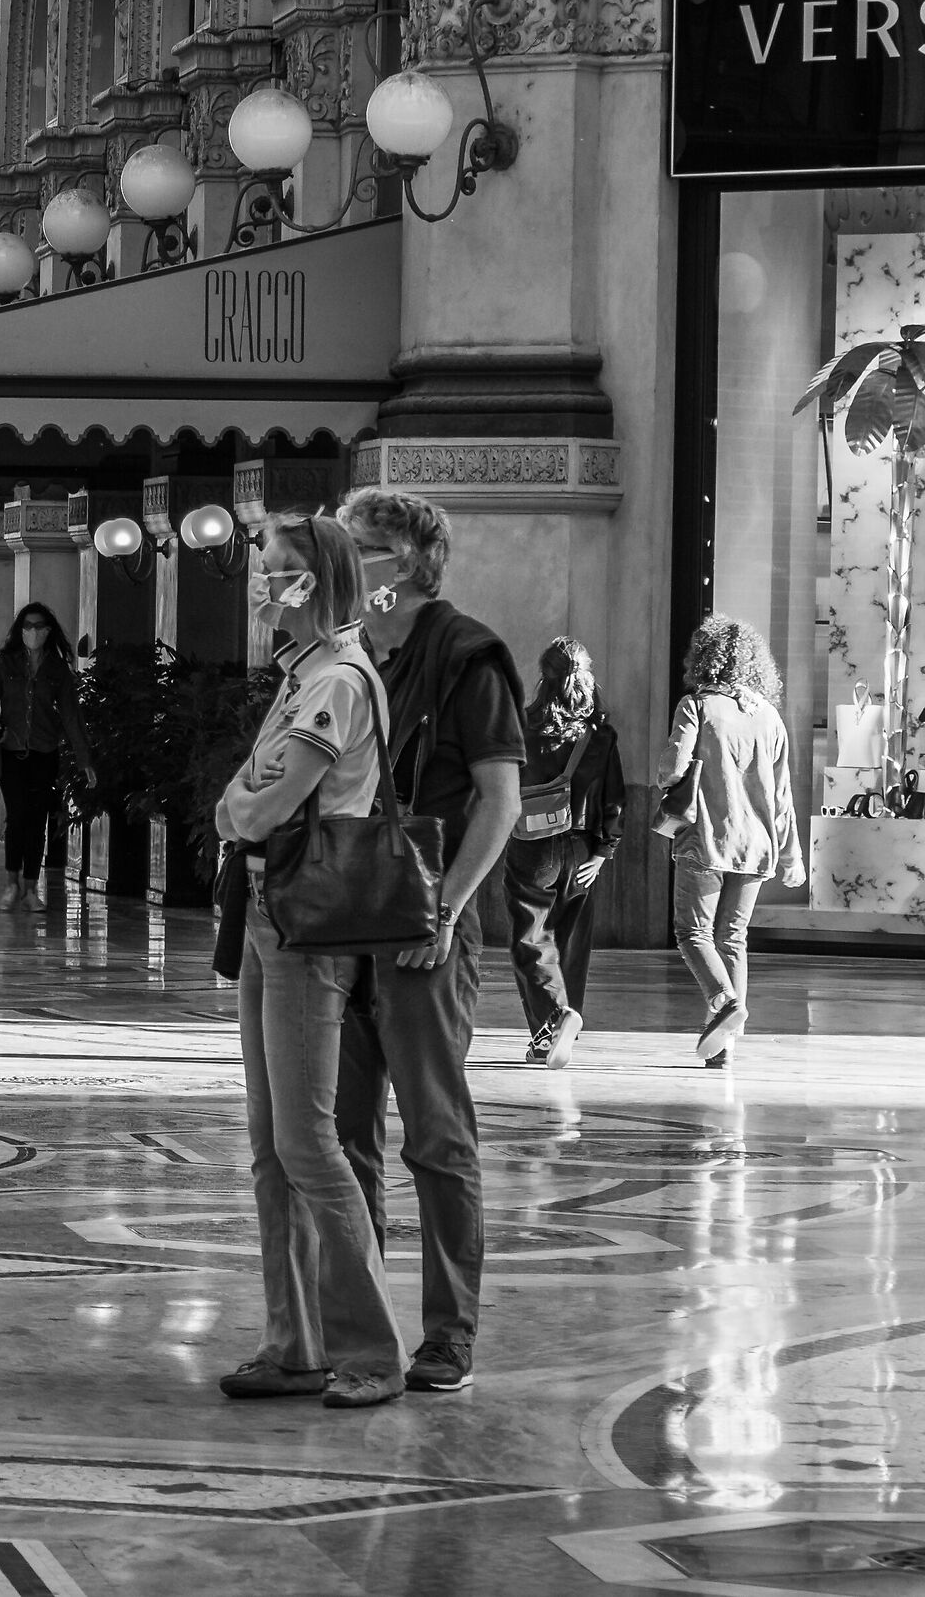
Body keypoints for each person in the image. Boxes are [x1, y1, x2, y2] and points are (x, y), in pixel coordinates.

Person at [209, 514, 406, 1410]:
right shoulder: (302, 676)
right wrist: (239, 802)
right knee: (269, 1147)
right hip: (264, 912)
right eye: (266, 572)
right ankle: (293, 1342)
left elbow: (262, 805)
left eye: (285, 574)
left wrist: (239, 804)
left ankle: (369, 1350)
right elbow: (244, 797)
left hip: (303, 923)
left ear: (323, 584)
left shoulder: (337, 681)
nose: (268, 588)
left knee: (309, 1143)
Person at [334, 490, 522, 1397]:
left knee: (437, 1138)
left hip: (424, 925)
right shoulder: (346, 652)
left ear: (405, 563)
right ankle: (362, 1323)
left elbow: (501, 803)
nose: (347, 560)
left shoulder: (466, 656)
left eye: (361, 547)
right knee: (343, 1136)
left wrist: (444, 913)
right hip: (339, 921)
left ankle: (450, 1333)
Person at [657, 615, 805, 1068]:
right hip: (757, 846)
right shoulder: (770, 716)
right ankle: (723, 1048)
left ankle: (724, 1002)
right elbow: (782, 795)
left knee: (692, 933)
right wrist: (793, 855)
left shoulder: (696, 706)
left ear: (704, 656)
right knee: (733, 940)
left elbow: (671, 770)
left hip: (706, 839)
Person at [503, 638, 626, 1070]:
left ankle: (553, 1021)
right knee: (571, 942)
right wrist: (603, 852)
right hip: (581, 848)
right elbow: (615, 799)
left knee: (531, 939)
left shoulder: (523, 725)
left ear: (544, 675)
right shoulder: (600, 735)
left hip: (532, 846)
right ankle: (556, 1030)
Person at [0, 600, 93, 910]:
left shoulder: (58, 670)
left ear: (48, 630)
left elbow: (71, 715)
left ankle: (30, 888)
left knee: (37, 818)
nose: (33, 632)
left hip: (44, 751)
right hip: (10, 752)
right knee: (17, 817)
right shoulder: (5, 665)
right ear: (20, 631)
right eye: (27, 627)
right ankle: (12, 884)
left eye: (39, 627)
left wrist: (84, 758)